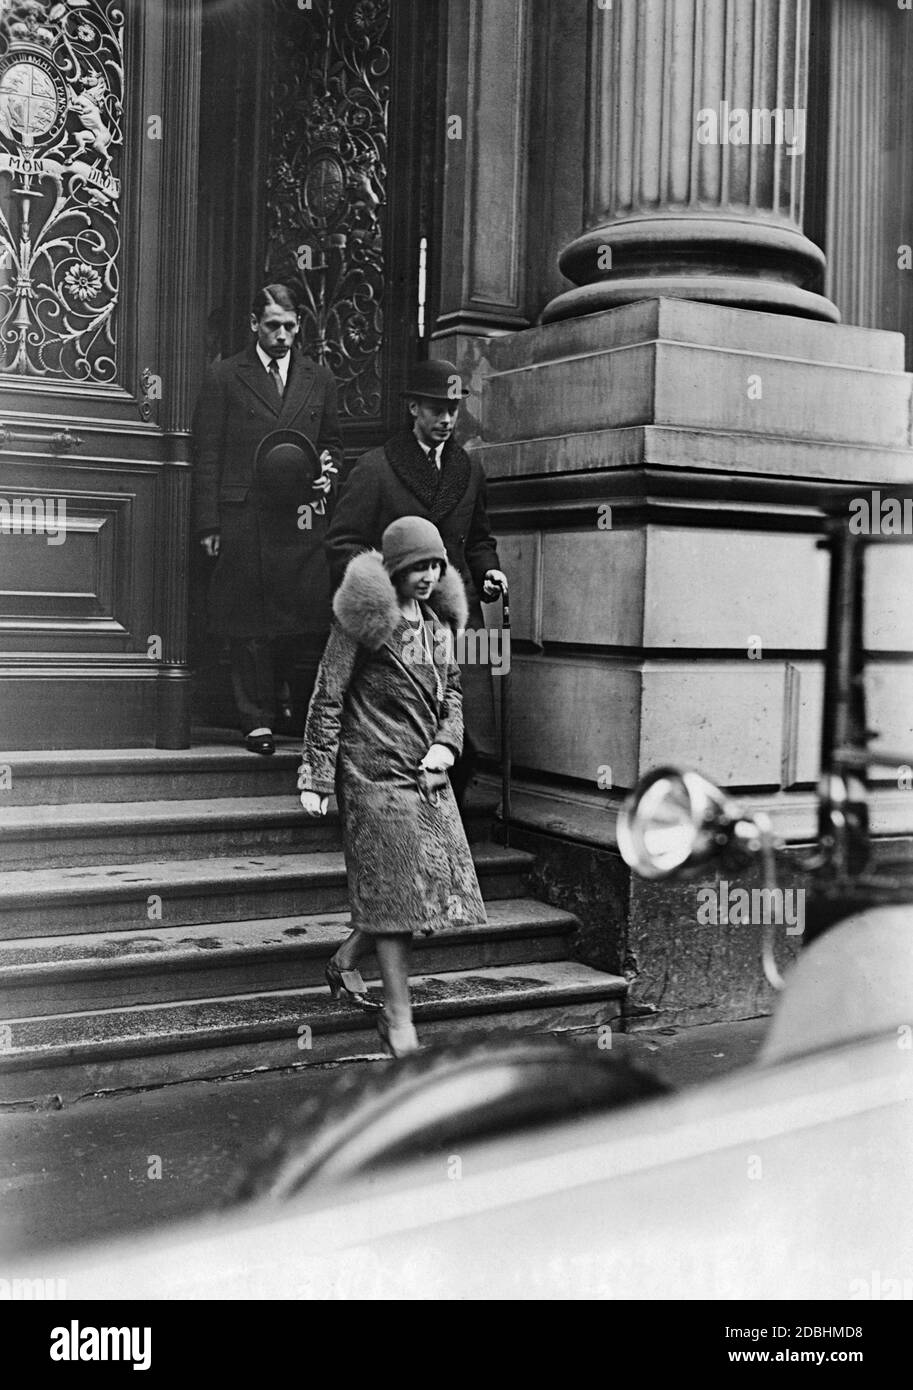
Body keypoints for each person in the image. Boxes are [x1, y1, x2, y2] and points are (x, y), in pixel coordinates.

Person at [298, 516, 487, 1057]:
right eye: (417, 566)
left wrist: (446, 747)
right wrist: (316, 775)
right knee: (401, 893)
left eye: (435, 565)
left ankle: (345, 960)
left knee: (423, 893)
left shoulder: (439, 626)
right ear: (394, 568)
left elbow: (452, 697)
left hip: (426, 776)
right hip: (372, 774)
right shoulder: (361, 623)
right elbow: (328, 697)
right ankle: (399, 1023)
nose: (427, 576)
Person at [324, 359, 507, 804]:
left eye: (453, 409)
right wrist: (386, 599)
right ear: (412, 408)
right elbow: (342, 543)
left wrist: (488, 572)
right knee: (404, 730)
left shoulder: (469, 469)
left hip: (453, 623)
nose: (446, 419)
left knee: (459, 727)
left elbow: (479, 539)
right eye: (434, 409)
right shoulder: (376, 468)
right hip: (398, 627)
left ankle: (447, 828)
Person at [193, 284, 343, 754]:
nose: (282, 335)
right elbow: (208, 452)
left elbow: (332, 444)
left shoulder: (320, 378)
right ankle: (254, 717)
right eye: (273, 326)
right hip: (244, 515)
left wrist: (327, 475)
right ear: (254, 325)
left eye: (290, 326)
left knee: (300, 614)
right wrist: (208, 524)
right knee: (248, 620)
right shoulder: (224, 376)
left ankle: (298, 712)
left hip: (298, 516)